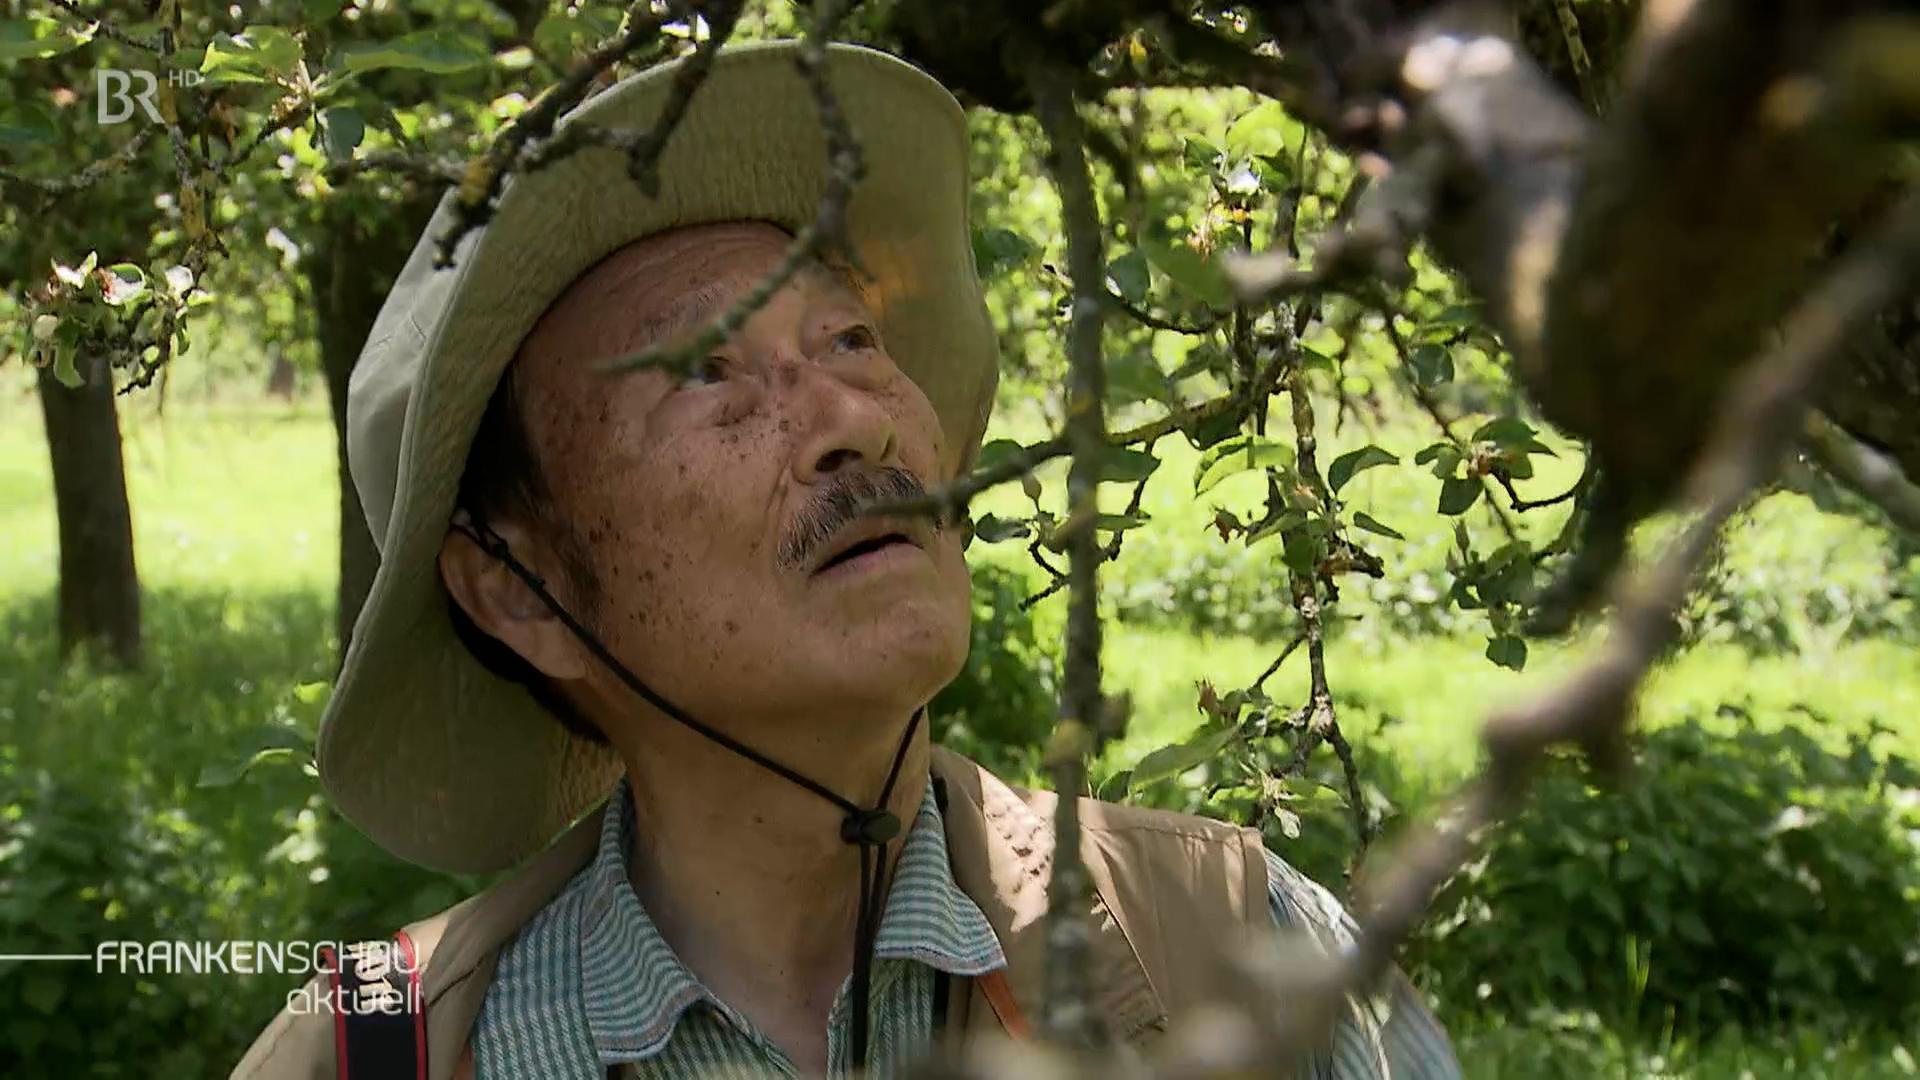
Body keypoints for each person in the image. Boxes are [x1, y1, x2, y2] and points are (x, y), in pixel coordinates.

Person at [231, 40, 1460, 1080]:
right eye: (705, 371)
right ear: (519, 589)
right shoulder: (369, 1054)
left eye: (853, 340)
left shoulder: (1236, 946)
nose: (857, 423)